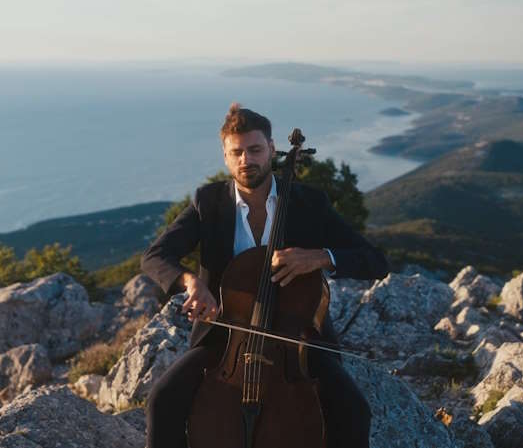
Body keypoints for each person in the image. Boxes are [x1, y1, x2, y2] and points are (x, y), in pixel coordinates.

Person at [140, 102, 393, 448]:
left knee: (353, 410)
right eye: (237, 153)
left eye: (255, 150)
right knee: (162, 400)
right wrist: (191, 282)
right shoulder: (208, 203)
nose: (247, 160)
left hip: (297, 341)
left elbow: (375, 261)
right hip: (228, 338)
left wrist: (320, 257)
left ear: (272, 150)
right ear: (226, 158)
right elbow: (155, 256)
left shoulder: (309, 203)